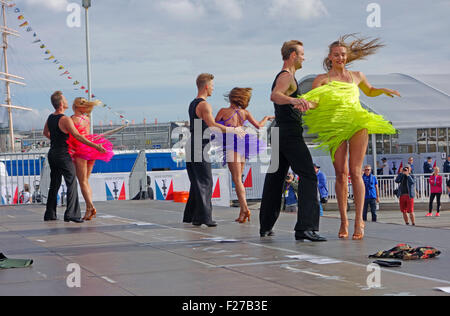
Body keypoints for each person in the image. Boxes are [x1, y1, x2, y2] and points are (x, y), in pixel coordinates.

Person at [300, 34, 400, 240]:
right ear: (330, 57)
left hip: (357, 123)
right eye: (336, 55)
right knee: (340, 173)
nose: (340, 58)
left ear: (347, 56)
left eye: (343, 55)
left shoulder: (357, 75)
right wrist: (305, 104)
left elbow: (369, 91)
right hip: (335, 126)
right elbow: (315, 102)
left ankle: (359, 221)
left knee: (356, 172)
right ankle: (344, 220)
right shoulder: (321, 80)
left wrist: (382, 90)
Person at [259, 40, 326, 242]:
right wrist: (293, 100)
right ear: (293, 56)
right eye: (302, 54)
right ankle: (305, 228)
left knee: (275, 178)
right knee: (309, 176)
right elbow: (275, 96)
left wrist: (312, 103)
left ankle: (265, 226)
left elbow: (289, 99)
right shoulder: (287, 76)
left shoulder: (288, 77)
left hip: (279, 132)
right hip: (288, 133)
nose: (305, 57)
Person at [183, 74, 244, 227]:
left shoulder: (192, 104)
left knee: (197, 183)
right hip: (199, 146)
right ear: (206, 87)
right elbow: (212, 125)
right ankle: (205, 218)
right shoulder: (204, 105)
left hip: (192, 144)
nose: (213, 88)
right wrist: (233, 130)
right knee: (205, 182)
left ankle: (194, 217)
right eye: (212, 86)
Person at [43, 91, 106, 223]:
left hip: (53, 153)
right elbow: (78, 136)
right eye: (65, 100)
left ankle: (50, 214)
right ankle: (71, 214)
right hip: (63, 154)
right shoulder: (65, 119)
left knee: (54, 184)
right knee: (71, 182)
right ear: (61, 104)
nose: (67, 102)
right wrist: (96, 146)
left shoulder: (50, 117)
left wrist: (56, 139)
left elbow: (45, 133)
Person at [214, 88, 274, 223]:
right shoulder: (245, 113)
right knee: (239, 179)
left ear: (231, 98)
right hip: (244, 144)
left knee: (237, 180)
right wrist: (266, 118)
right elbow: (259, 126)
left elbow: (214, 126)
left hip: (232, 145)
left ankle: (245, 208)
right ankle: (242, 212)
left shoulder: (223, 111)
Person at [67, 97, 115, 221]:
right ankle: (89, 210)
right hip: (90, 149)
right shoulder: (87, 119)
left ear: (75, 107)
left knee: (82, 181)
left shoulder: (72, 119)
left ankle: (91, 206)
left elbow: (75, 136)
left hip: (80, 151)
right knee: (86, 181)